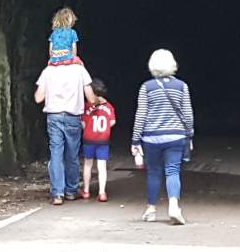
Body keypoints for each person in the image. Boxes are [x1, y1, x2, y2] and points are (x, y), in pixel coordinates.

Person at [130, 48, 195, 225]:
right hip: (176, 136)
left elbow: (141, 114)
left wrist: (135, 139)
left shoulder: (147, 87)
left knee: (153, 172)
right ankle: (174, 206)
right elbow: (188, 114)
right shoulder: (181, 86)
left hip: (151, 137)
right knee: (173, 170)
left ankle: (151, 210)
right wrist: (189, 134)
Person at [35, 57, 95, 205]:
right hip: (73, 117)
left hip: (54, 117)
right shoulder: (80, 69)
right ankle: (71, 191)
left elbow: (38, 98)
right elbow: (91, 98)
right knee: (72, 155)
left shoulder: (48, 71)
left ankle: (57, 194)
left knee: (56, 153)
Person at [80, 78, 116, 202]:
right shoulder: (109, 106)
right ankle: (102, 192)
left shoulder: (86, 106)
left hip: (89, 139)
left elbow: (83, 124)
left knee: (88, 165)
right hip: (103, 140)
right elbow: (112, 122)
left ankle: (86, 190)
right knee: (102, 166)